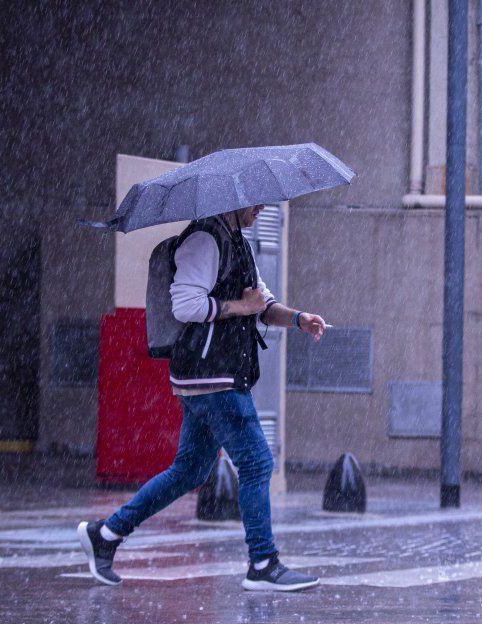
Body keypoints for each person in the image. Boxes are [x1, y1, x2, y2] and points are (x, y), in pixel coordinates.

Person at [79, 205, 327, 592]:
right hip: (213, 377)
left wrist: (298, 318)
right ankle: (262, 562)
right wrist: (239, 307)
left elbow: (262, 305)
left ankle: (107, 534)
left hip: (215, 377)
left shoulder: (237, 243)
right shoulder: (203, 240)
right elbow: (186, 305)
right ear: (234, 200)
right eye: (256, 202)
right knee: (258, 463)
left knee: (190, 472)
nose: (260, 209)